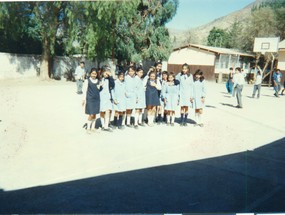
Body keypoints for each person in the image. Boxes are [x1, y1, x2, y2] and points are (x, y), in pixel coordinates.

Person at [82, 68, 101, 133]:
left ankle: (93, 128)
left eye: (95, 74)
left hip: (97, 99)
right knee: (91, 114)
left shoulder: (98, 81)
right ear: (90, 73)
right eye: (92, 73)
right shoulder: (87, 81)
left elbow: (99, 90)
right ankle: (88, 128)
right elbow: (84, 90)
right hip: (90, 100)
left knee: (95, 114)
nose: (94, 75)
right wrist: (83, 99)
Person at [99, 67, 115, 132]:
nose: (106, 74)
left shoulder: (109, 79)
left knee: (108, 111)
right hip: (101, 97)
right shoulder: (99, 79)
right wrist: (99, 86)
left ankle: (106, 126)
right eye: (105, 72)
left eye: (107, 73)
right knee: (102, 111)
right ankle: (103, 125)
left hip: (108, 97)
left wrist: (110, 76)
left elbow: (113, 85)